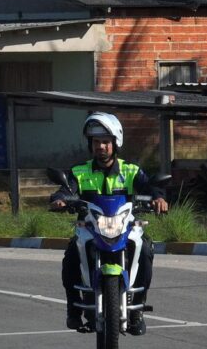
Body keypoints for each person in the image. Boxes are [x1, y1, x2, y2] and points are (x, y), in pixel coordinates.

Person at [50, 112, 168, 335]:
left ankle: (137, 310)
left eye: (105, 142)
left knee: (145, 250)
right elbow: (65, 189)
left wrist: (158, 198)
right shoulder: (79, 171)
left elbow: (151, 186)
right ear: (91, 144)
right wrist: (60, 199)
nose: (101, 147)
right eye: (96, 142)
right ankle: (74, 310)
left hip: (125, 227)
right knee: (71, 256)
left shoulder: (130, 170)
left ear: (115, 143)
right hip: (89, 228)